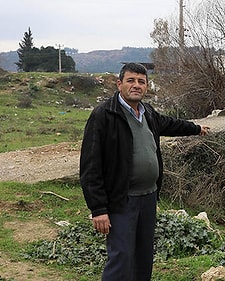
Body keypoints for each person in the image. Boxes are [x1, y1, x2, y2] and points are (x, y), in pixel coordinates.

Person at [80, 63, 209, 281]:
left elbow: (170, 124)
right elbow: (90, 166)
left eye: (141, 81)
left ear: (146, 86)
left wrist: (195, 128)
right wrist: (98, 209)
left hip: (148, 198)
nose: (136, 86)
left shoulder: (147, 112)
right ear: (119, 84)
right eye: (131, 80)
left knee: (143, 258)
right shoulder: (104, 115)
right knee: (121, 258)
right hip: (121, 200)